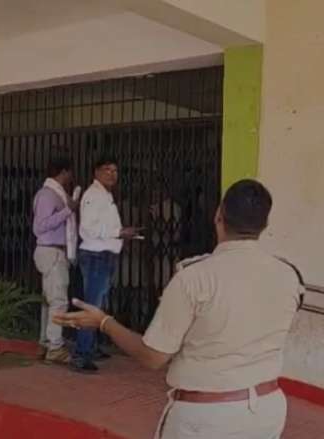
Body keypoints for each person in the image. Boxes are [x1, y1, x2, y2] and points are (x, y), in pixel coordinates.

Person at [55, 179, 304, 438]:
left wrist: (104, 322)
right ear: (265, 224)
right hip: (267, 410)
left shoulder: (194, 277)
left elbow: (153, 356)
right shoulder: (289, 276)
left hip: (206, 418)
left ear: (218, 215)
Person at [73, 156, 141, 373]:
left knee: (98, 304)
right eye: (107, 169)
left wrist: (120, 234)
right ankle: (81, 354)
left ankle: (91, 347)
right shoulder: (93, 195)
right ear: (96, 172)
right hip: (96, 256)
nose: (112, 174)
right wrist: (118, 232)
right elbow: (87, 228)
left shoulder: (105, 194)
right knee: (92, 306)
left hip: (104, 255)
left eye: (115, 170)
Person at [32, 157, 79, 365]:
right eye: (70, 172)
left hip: (53, 252)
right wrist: (68, 211)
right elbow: (40, 226)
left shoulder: (54, 194)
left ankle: (46, 342)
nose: (71, 177)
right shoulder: (48, 195)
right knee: (58, 301)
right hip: (52, 252)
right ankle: (55, 347)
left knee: (50, 301)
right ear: (64, 172)